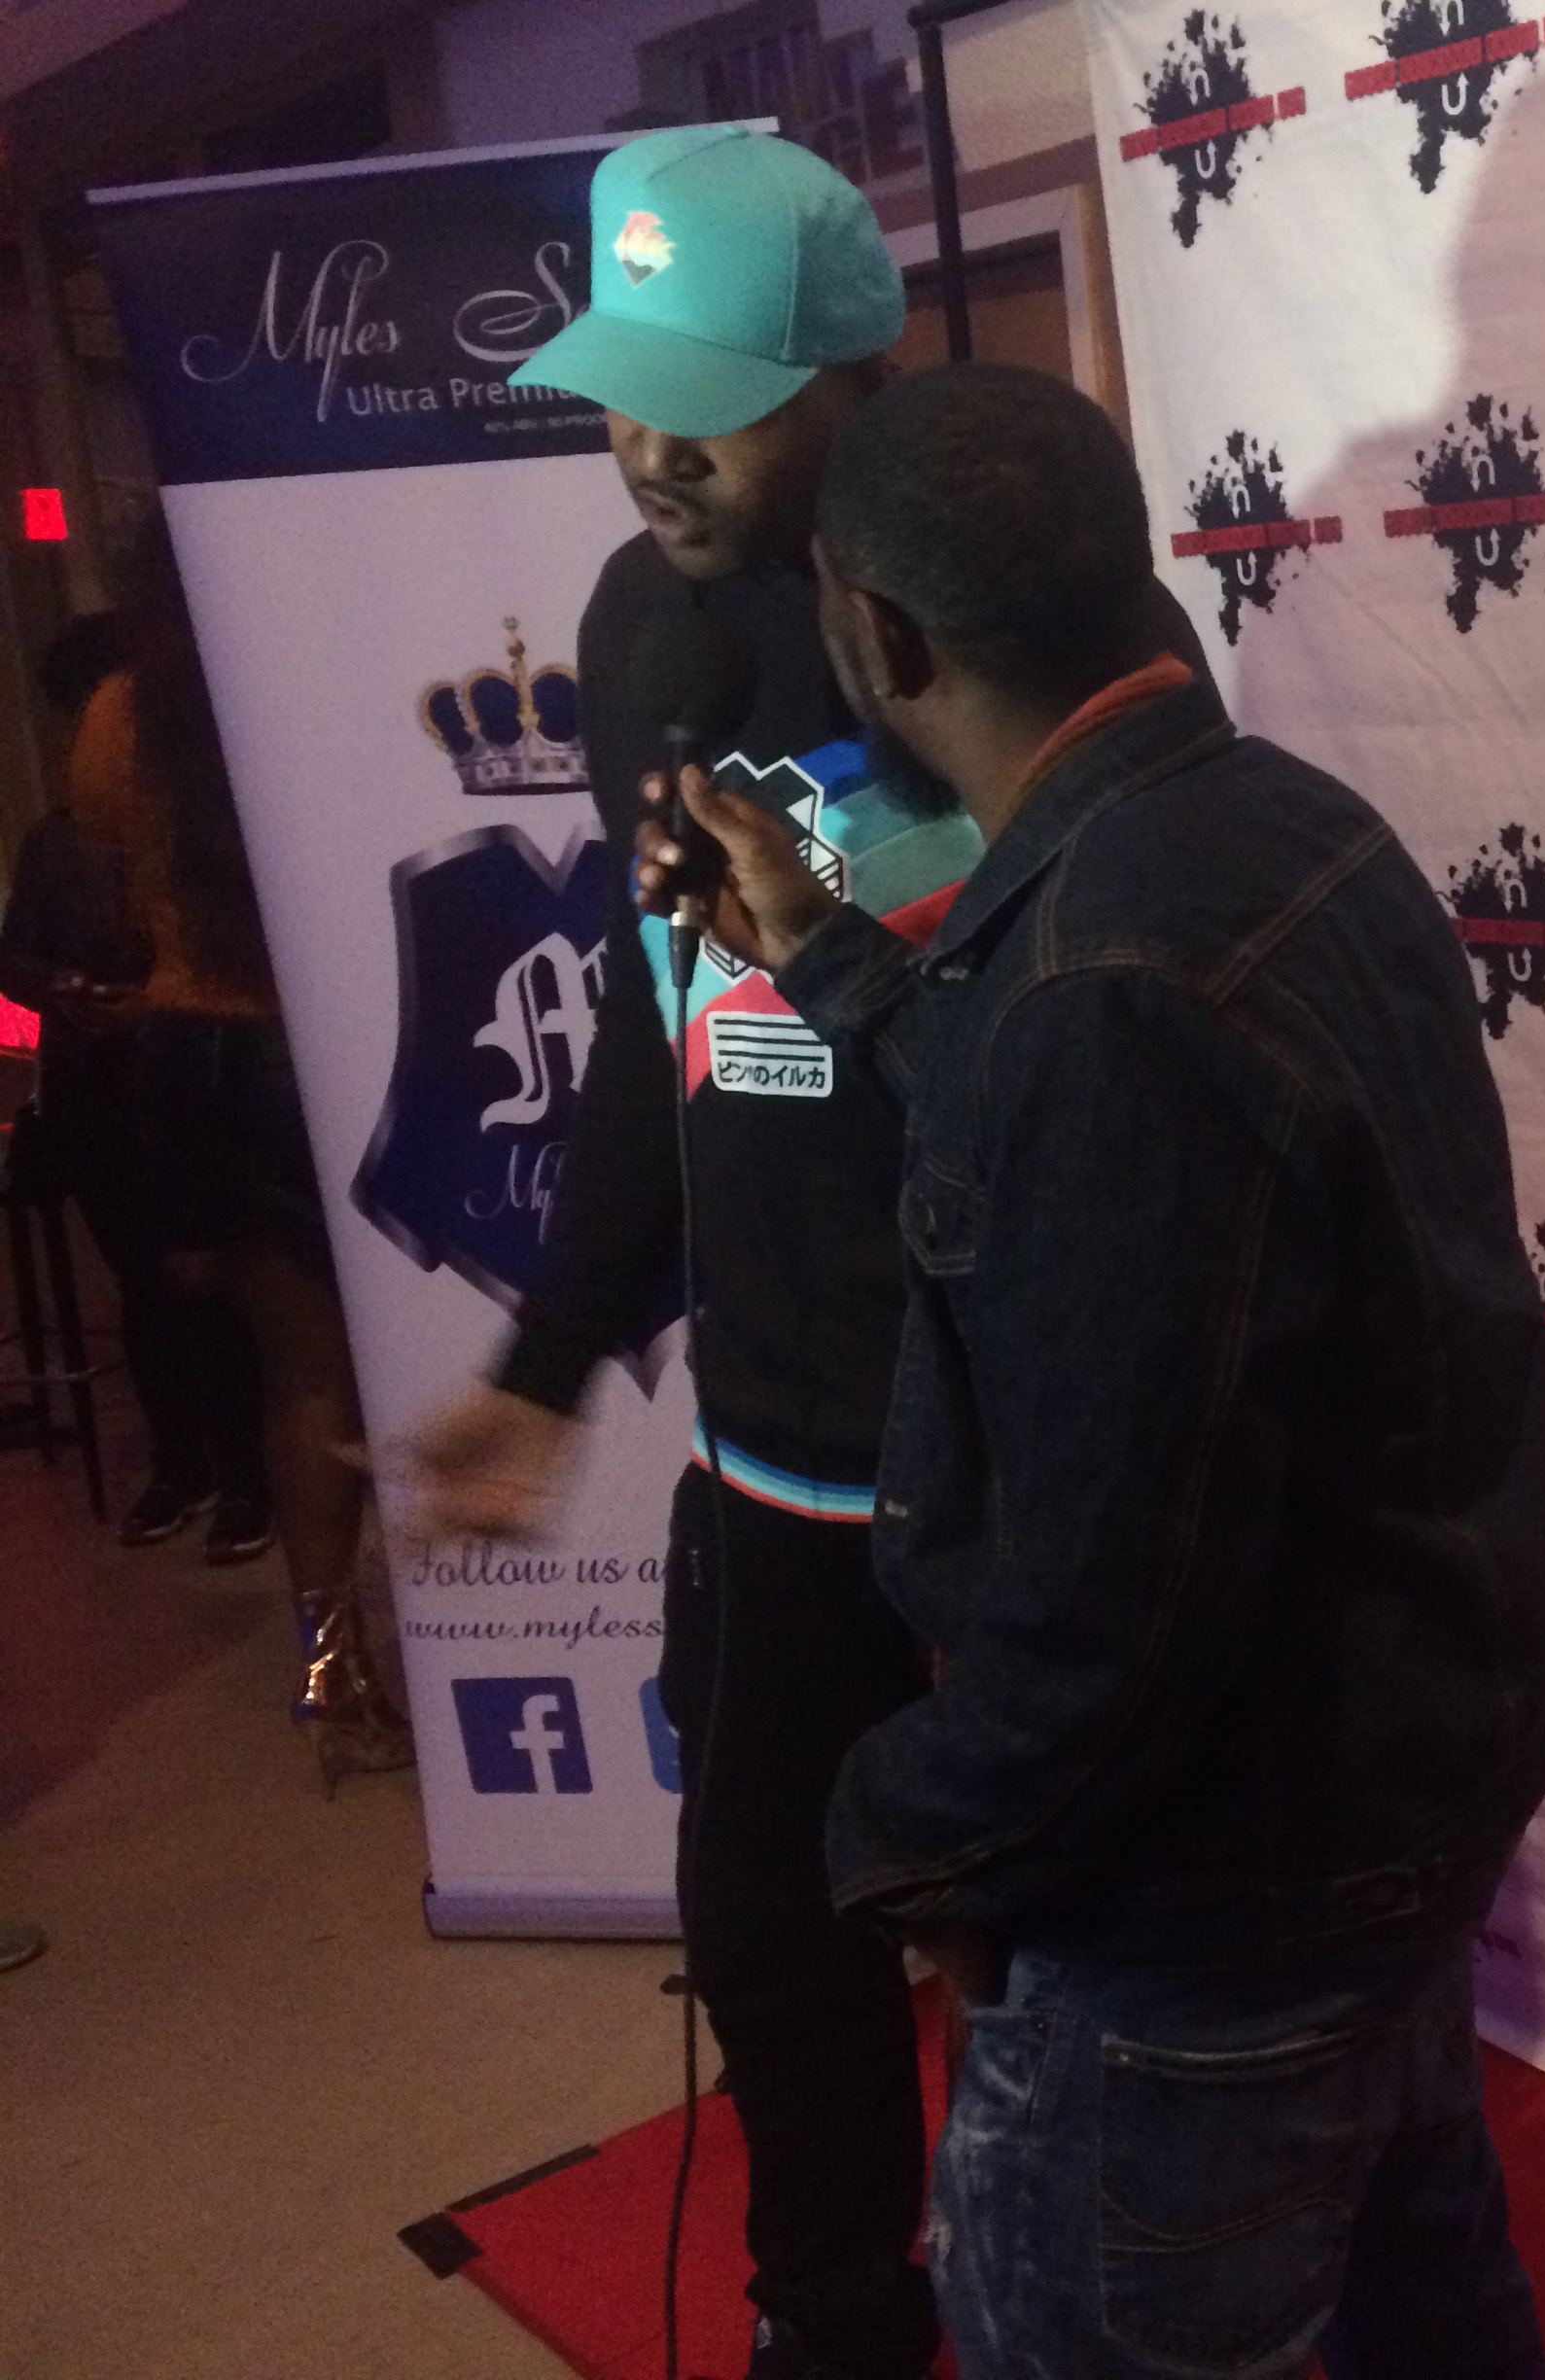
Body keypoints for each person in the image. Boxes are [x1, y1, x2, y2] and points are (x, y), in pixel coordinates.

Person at [650, 362, 1545, 2380]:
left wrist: (901, 1832)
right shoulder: (1287, 832)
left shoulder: (1104, 979)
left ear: (879, 638)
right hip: (1389, 1816)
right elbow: (1099, 1150)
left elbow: (1106, 1618)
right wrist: (826, 949)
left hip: (1208, 1919)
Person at [406, 126, 941, 2380]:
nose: (648, 446)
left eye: (707, 399)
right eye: (623, 386)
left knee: (1049, 1943)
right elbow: (663, 1012)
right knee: (767, 1932)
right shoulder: (640, 625)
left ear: (847, 380)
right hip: (776, 1444)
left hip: (1010, 1443)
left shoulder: (981, 607)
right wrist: (544, 1359)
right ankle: (842, 2322)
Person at [71, 517, 408, 1781]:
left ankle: (335, 1673)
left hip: (188, 1050)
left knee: (303, 1379)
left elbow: (104, 841)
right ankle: (480, 1653)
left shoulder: (122, 706)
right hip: (316, 1046)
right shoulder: (323, 672)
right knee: (414, 1360)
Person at [0, 608, 276, 1561]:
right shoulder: (52, 845)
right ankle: (179, 1464)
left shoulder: (206, 838)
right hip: (98, 1093)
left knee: (219, 1283)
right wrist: (64, 990)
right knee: (144, 1289)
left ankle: (247, 1479)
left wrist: (151, 999)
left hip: (192, 1077)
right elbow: (16, 956)